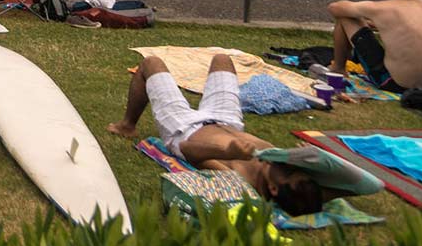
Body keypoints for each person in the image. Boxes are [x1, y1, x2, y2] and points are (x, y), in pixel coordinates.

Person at [106, 54, 358, 217]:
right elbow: (365, 184)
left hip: (183, 127)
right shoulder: (279, 167)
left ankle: (127, 125)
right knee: (222, 60)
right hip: (227, 120)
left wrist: (227, 152)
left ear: (272, 188)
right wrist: (316, 158)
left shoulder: (238, 180)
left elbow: (189, 151)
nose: (290, 165)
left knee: (151, 64)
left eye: (289, 171)